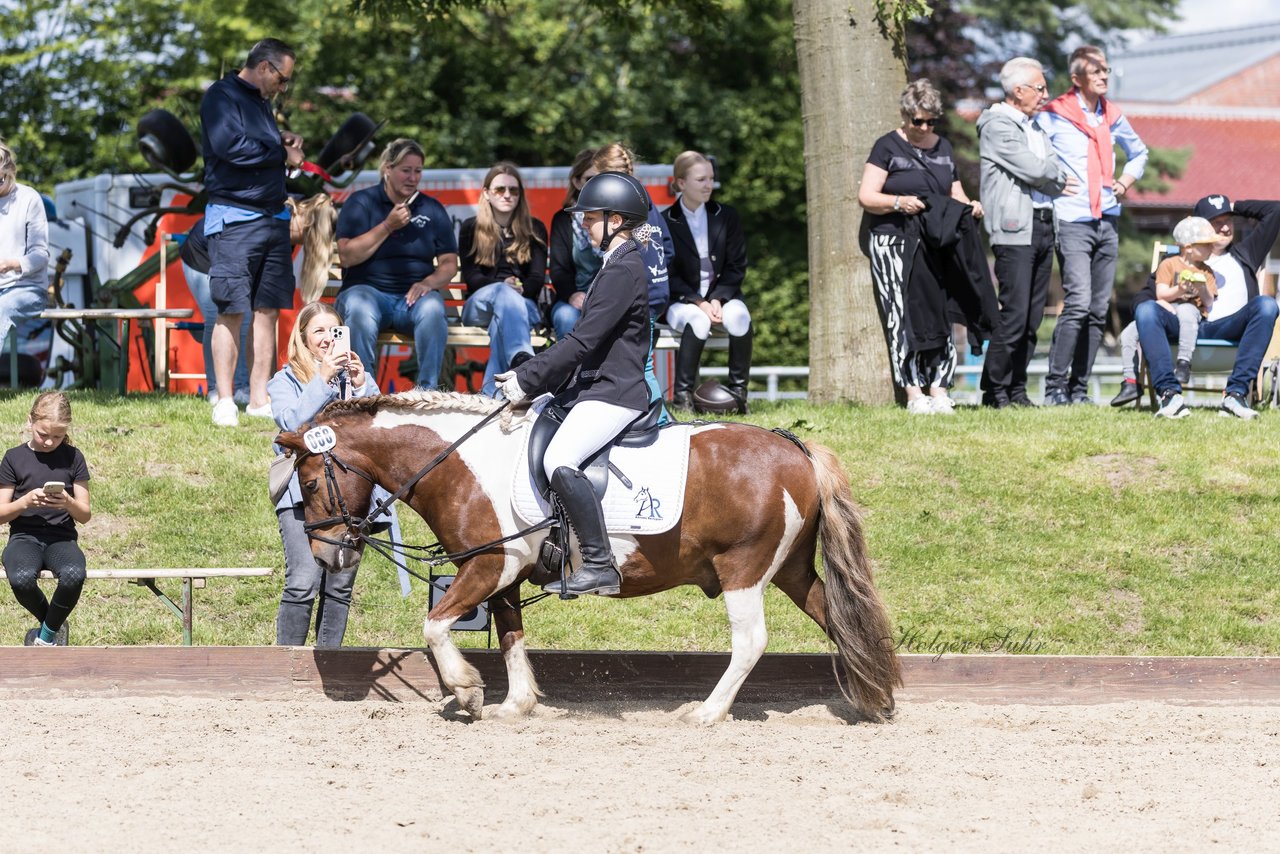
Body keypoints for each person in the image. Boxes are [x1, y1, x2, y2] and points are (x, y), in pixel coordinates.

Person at [494, 172, 651, 598]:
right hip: (594, 385)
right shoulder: (616, 263)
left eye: (592, 217)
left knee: (560, 458)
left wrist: (526, 380)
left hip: (615, 391)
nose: (584, 224)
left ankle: (599, 564)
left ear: (616, 220)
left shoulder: (623, 269)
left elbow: (582, 341)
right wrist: (532, 377)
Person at [857, 79, 988, 415]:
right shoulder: (886, 147)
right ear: (905, 116)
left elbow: (953, 192)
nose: (924, 127)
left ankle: (940, 388)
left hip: (934, 242)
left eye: (931, 121)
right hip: (894, 241)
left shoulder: (942, 147)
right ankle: (913, 392)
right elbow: (867, 196)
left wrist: (969, 205)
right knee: (901, 314)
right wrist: (900, 202)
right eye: (918, 121)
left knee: (941, 313)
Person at [268, 301, 390, 646]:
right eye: (318, 331)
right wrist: (321, 379)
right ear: (303, 337)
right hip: (305, 493)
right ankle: (287, 665)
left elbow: (380, 431)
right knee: (303, 581)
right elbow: (291, 424)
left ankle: (331, 662)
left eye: (333, 330)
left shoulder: (353, 380)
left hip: (352, 493)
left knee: (340, 584)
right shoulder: (285, 380)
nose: (326, 339)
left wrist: (363, 386)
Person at [201, 37, 304, 427]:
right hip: (233, 216)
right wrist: (282, 152)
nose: (283, 88)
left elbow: (258, 144)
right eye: (282, 79)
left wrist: (281, 139)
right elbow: (231, 148)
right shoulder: (220, 96)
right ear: (265, 67)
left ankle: (259, 397)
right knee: (231, 310)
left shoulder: (262, 103)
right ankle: (225, 399)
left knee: (268, 310)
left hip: (273, 218)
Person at [1039, 45, 1148, 406]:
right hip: (1072, 218)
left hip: (1108, 219)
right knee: (1078, 303)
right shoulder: (1053, 113)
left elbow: (1139, 152)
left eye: (1106, 70)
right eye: (1096, 71)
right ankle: (1055, 387)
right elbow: (1033, 156)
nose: (1104, 76)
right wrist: (1051, 182)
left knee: (1099, 308)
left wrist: (1125, 181)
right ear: (1076, 79)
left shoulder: (1111, 115)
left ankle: (1079, 390)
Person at [977, 57, 1078, 409]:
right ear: (1018, 90)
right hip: (1014, 228)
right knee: (1015, 313)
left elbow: (1056, 172)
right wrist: (1050, 174)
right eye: (1039, 88)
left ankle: (1017, 389)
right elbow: (1038, 170)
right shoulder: (997, 125)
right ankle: (995, 391)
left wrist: (1051, 174)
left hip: (1044, 224)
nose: (1045, 94)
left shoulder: (1034, 127)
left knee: (1034, 316)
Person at [1133, 195, 1280, 419]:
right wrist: (1163, 303)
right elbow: (1142, 298)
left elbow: (1276, 210)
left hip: (1230, 328)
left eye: (1228, 220)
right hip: (1183, 327)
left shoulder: (1247, 252)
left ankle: (1236, 394)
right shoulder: (1181, 258)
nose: (1223, 227)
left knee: (1267, 305)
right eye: (1215, 222)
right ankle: (1170, 395)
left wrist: (1235, 207)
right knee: (1146, 310)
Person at [334, 138, 458, 391]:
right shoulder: (361, 202)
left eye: (418, 171)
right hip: (367, 292)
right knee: (359, 308)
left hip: (411, 301)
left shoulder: (431, 208)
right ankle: (362, 396)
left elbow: (449, 263)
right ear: (387, 169)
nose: (412, 178)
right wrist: (388, 226)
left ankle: (427, 394)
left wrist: (428, 283)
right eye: (406, 170)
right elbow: (347, 256)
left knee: (434, 307)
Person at [662, 150, 752, 413]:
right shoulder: (666, 221)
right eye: (701, 180)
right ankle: (683, 397)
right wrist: (699, 302)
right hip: (681, 301)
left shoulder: (727, 216)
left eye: (711, 179)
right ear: (681, 183)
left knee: (740, 317)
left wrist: (718, 298)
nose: (709, 185)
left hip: (721, 296)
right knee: (698, 321)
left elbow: (737, 266)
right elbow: (668, 274)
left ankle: (738, 395)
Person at [0, 391, 91, 646]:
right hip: (24, 537)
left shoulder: (74, 457)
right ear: (30, 421)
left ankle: (44, 637)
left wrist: (68, 502)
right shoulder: (13, 458)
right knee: (20, 578)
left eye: (58, 436)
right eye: (43, 434)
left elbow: (85, 515)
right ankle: (52, 629)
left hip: (61, 538)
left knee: (74, 573)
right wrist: (25, 501)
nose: (50, 442)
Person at [457, 163, 548, 397]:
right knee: (501, 293)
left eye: (513, 190)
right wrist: (502, 287)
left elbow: (536, 281)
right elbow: (472, 279)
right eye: (500, 190)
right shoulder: (471, 228)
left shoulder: (534, 228)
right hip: (479, 305)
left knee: (502, 323)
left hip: (522, 305)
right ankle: (523, 360)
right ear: (486, 193)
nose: (507, 195)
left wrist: (518, 289)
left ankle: (492, 397)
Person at [1111, 217, 1221, 407]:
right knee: (1129, 332)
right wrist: (1180, 289)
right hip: (1166, 315)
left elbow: (1209, 301)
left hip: (1190, 318)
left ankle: (1183, 363)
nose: (1212, 247)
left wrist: (1201, 288)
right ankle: (1130, 381)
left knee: (1187, 308)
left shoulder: (1207, 272)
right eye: (1206, 244)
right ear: (1188, 247)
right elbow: (1161, 293)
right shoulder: (1168, 265)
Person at [179, 216, 249, 404]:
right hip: (200, 257)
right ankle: (214, 390)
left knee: (246, 319)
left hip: (230, 258)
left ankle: (244, 388)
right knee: (214, 317)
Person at [0, 139, 50, 360]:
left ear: (9, 172)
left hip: (28, 288)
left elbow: (41, 255)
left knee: (2, 308)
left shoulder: (29, 199)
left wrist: (11, 264)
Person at [548, 147, 598, 338]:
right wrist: (572, 295)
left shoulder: (616, 217)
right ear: (577, 182)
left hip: (609, 298)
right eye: (589, 179)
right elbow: (558, 269)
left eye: (601, 179)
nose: (596, 185)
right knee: (566, 317)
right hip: (575, 297)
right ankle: (568, 369)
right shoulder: (563, 220)